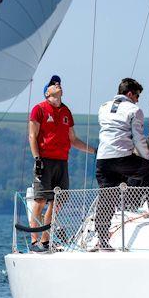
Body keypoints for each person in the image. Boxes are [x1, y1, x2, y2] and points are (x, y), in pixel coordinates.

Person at [94, 78, 149, 248]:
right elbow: (139, 139)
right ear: (130, 94)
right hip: (122, 157)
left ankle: (102, 239)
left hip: (103, 159)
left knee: (106, 198)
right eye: (137, 96)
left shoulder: (103, 107)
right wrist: (148, 160)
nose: (138, 99)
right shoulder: (135, 110)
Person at [29, 74, 95, 251]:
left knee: (57, 202)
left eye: (58, 83)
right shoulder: (39, 109)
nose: (57, 85)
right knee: (41, 199)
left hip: (62, 161)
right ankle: (34, 241)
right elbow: (32, 136)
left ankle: (45, 240)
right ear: (47, 93)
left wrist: (95, 150)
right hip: (44, 160)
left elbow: (73, 139)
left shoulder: (66, 112)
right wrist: (37, 158)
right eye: (53, 84)